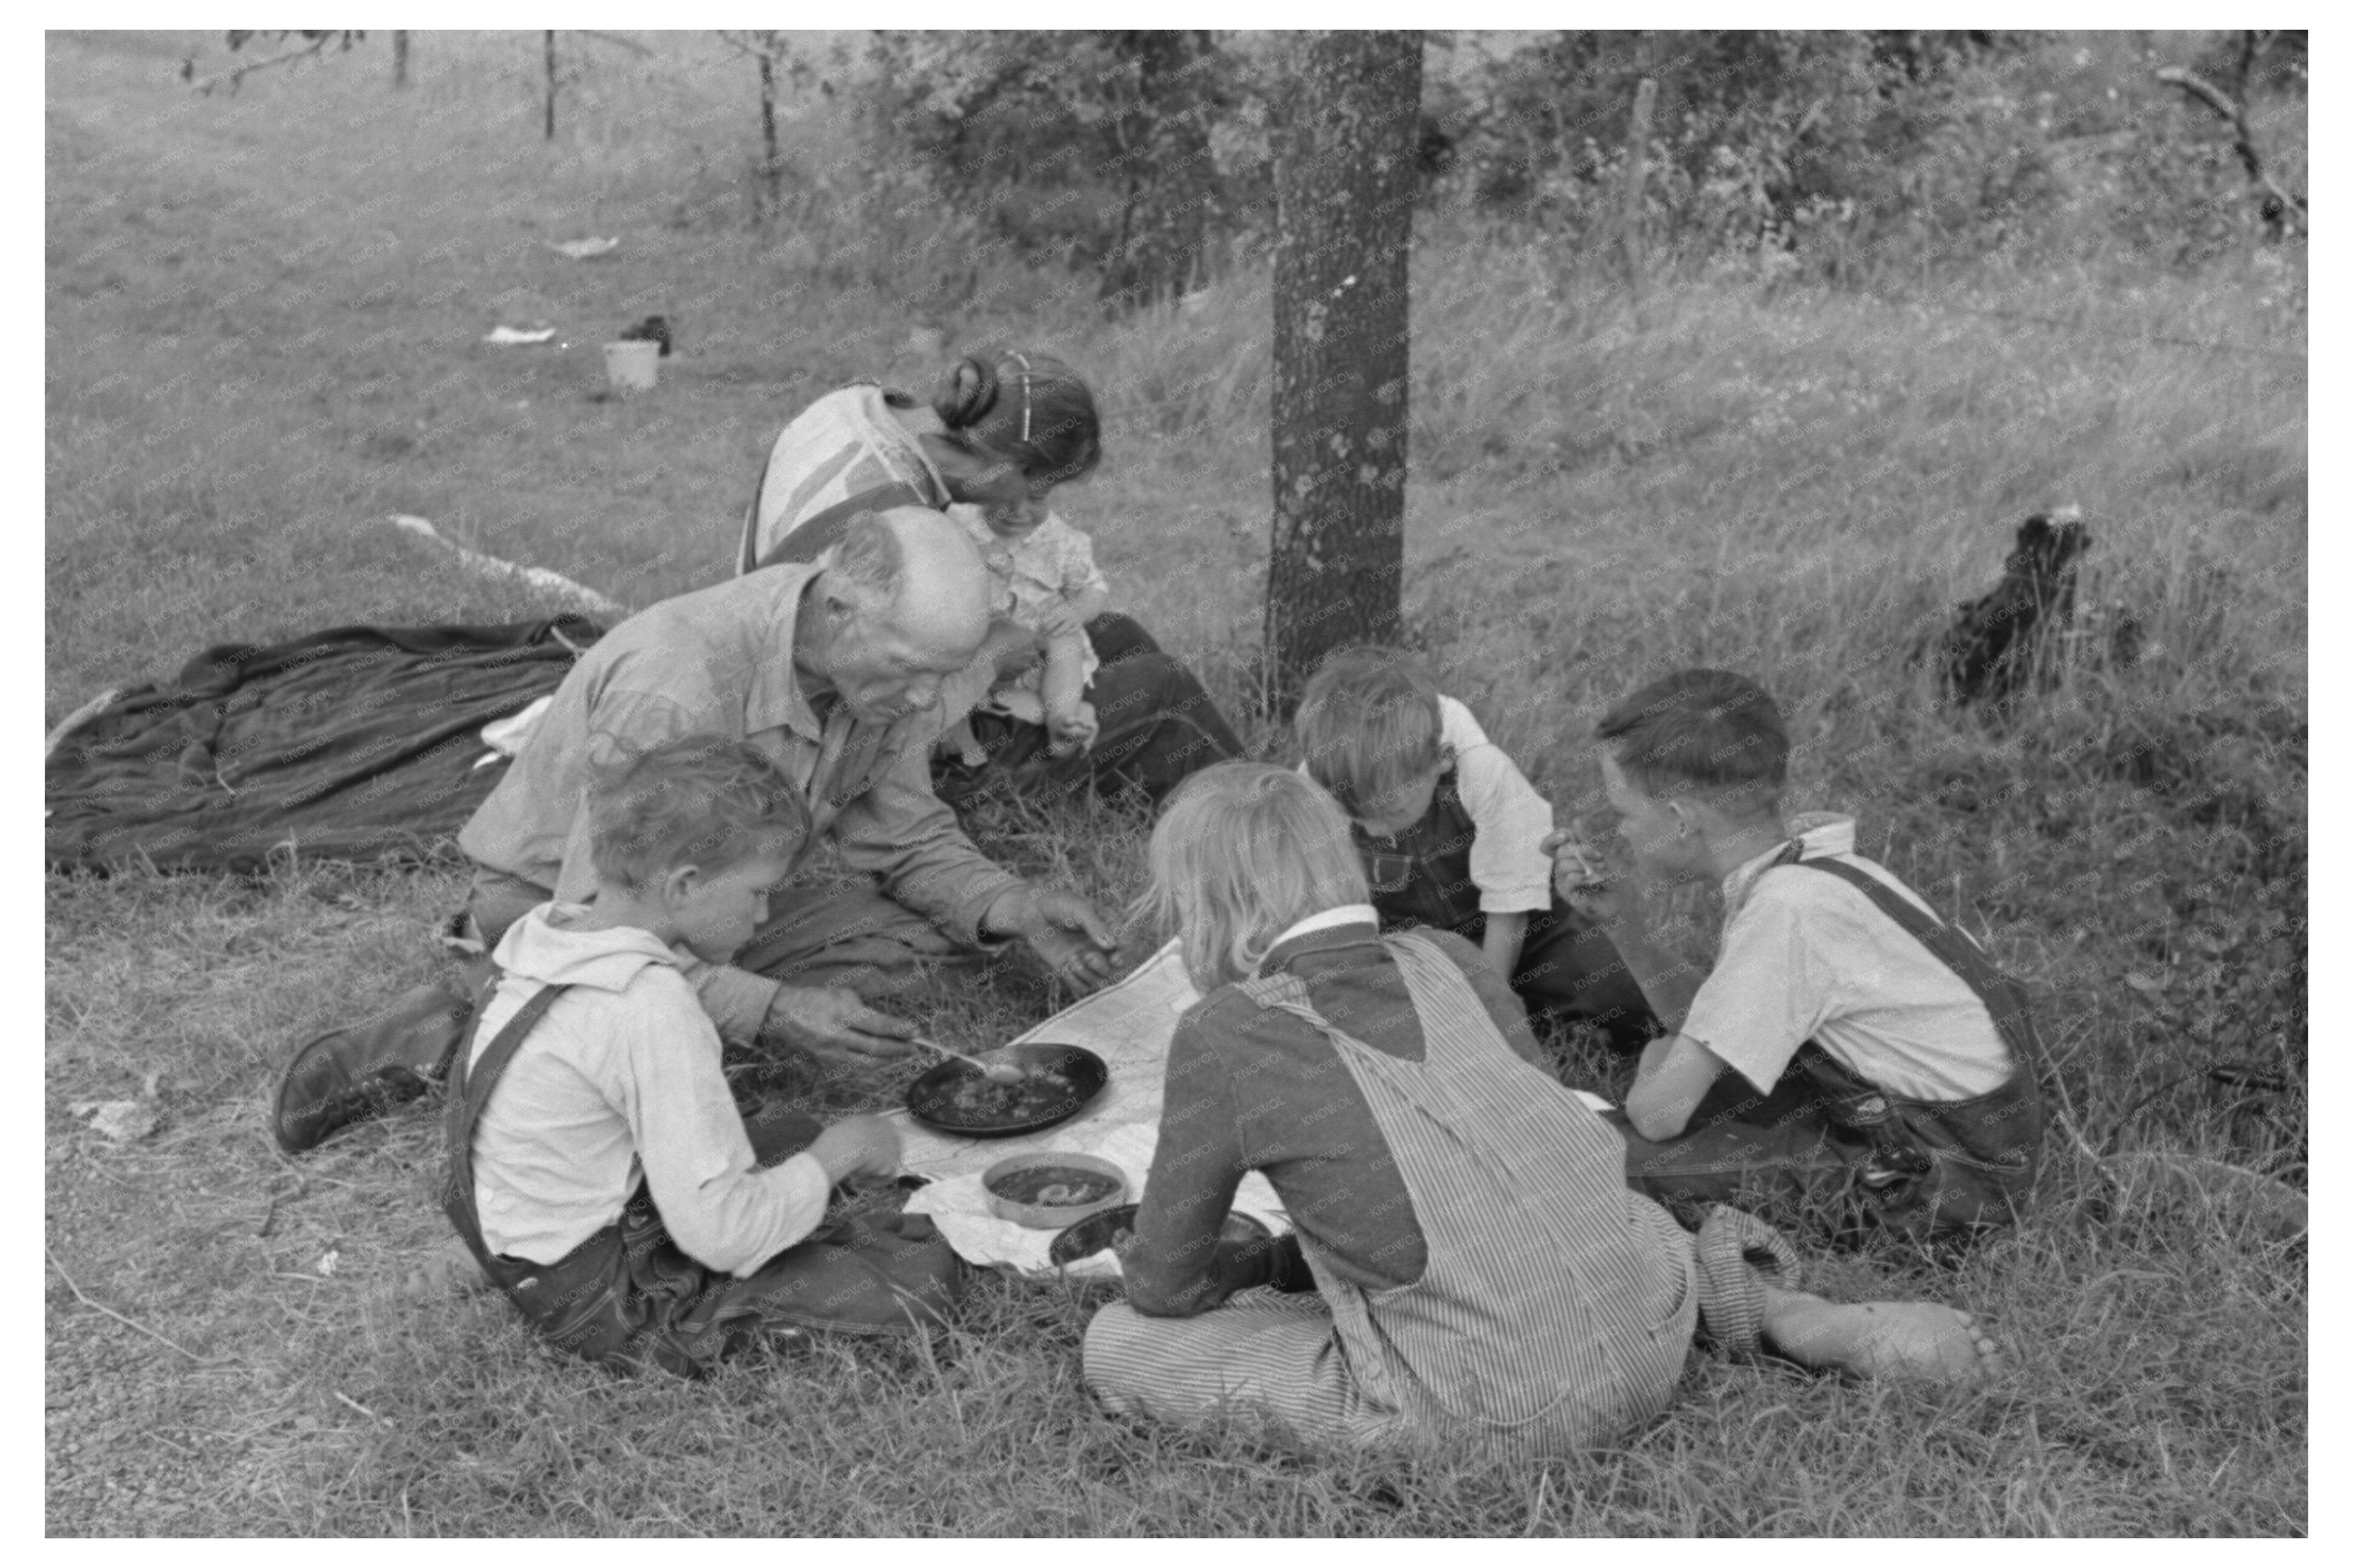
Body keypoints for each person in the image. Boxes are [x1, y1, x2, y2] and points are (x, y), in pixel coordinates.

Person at [1082, 763, 2003, 1458]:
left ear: (1204, 910)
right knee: (1602, 1204)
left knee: (1121, 1343)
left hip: (1489, 1410)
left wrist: (1264, 1266)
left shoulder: (1222, 1032)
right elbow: (1550, 1140)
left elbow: (1164, 1285)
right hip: (1648, 1331)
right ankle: (1774, 1311)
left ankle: (1411, 1349)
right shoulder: (1450, 954)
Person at [442, 736, 962, 1376]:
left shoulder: (555, 932)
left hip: (523, 1236)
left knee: (791, 1136)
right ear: (685, 885)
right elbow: (725, 1236)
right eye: (757, 894)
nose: (765, 913)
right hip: (599, 1298)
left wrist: (813, 1155)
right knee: (914, 1279)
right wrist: (843, 1154)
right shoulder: (648, 1004)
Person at [1543, 669, 2045, 1244]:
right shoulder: (1814, 870)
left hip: (1933, 1186)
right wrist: (1624, 927)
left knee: (1585, 1161)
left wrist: (1650, 1080)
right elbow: (1708, 1030)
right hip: (1931, 1132)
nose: (1621, 834)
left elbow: (1660, 1116)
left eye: (1624, 814)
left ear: (1681, 820)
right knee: (1667, 1072)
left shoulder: (1786, 911)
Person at [739, 350, 1243, 806]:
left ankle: (1158, 794)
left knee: (1114, 635)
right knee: (1163, 690)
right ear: (1007, 464)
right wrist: (991, 658)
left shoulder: (852, 406)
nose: (1023, 508)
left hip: (783, 657)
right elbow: (879, 704)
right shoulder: (894, 523)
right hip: (854, 762)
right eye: (1036, 487)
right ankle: (1270, 828)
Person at [1292, 646, 1657, 1052]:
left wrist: (1487, 1011)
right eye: (1355, 814)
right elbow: (1324, 904)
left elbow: (1509, 910)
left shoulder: (1484, 773)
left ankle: (1533, 1011)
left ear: (1440, 762)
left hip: (1526, 925)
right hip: (1415, 944)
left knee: (1619, 999)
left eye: (1391, 811)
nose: (1375, 829)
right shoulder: (1318, 784)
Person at [935, 499, 1107, 767]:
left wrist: (1076, 612)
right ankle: (1068, 716)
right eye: (1008, 497)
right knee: (988, 702)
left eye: (1036, 499)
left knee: (1063, 637)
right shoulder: (959, 523)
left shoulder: (1061, 540)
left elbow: (1093, 588)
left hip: (1042, 662)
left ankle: (1061, 718)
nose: (1017, 510)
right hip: (981, 653)